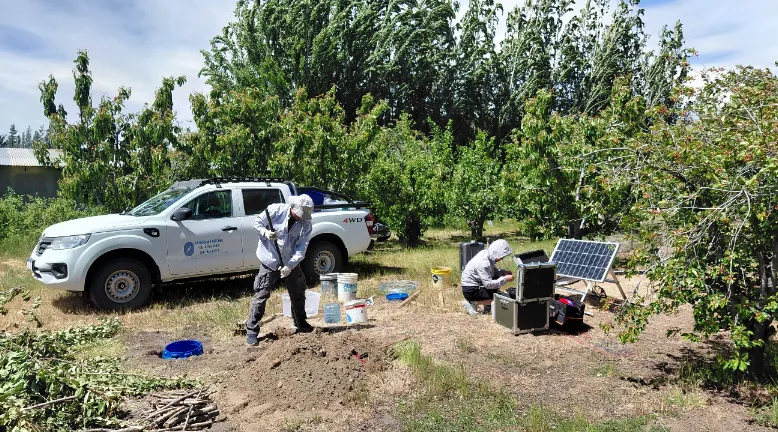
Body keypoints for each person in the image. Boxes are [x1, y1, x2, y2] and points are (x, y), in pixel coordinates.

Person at [245, 195, 315, 346]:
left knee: (298, 291)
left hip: (290, 261)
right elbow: (256, 223)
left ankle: (300, 322)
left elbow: (302, 246)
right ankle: (251, 330)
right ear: (293, 207)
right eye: (298, 214)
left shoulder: (306, 223)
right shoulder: (275, 210)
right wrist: (264, 232)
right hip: (270, 259)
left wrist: (290, 265)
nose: (299, 217)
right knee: (261, 294)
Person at [460, 239, 514, 315]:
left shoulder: (487, 255)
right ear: (496, 253)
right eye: (501, 256)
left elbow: (491, 271)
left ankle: (487, 305)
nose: (502, 259)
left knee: (496, 284)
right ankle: (473, 303)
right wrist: (505, 279)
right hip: (471, 289)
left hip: (474, 285)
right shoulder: (483, 263)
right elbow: (488, 284)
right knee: (497, 297)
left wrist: (503, 272)